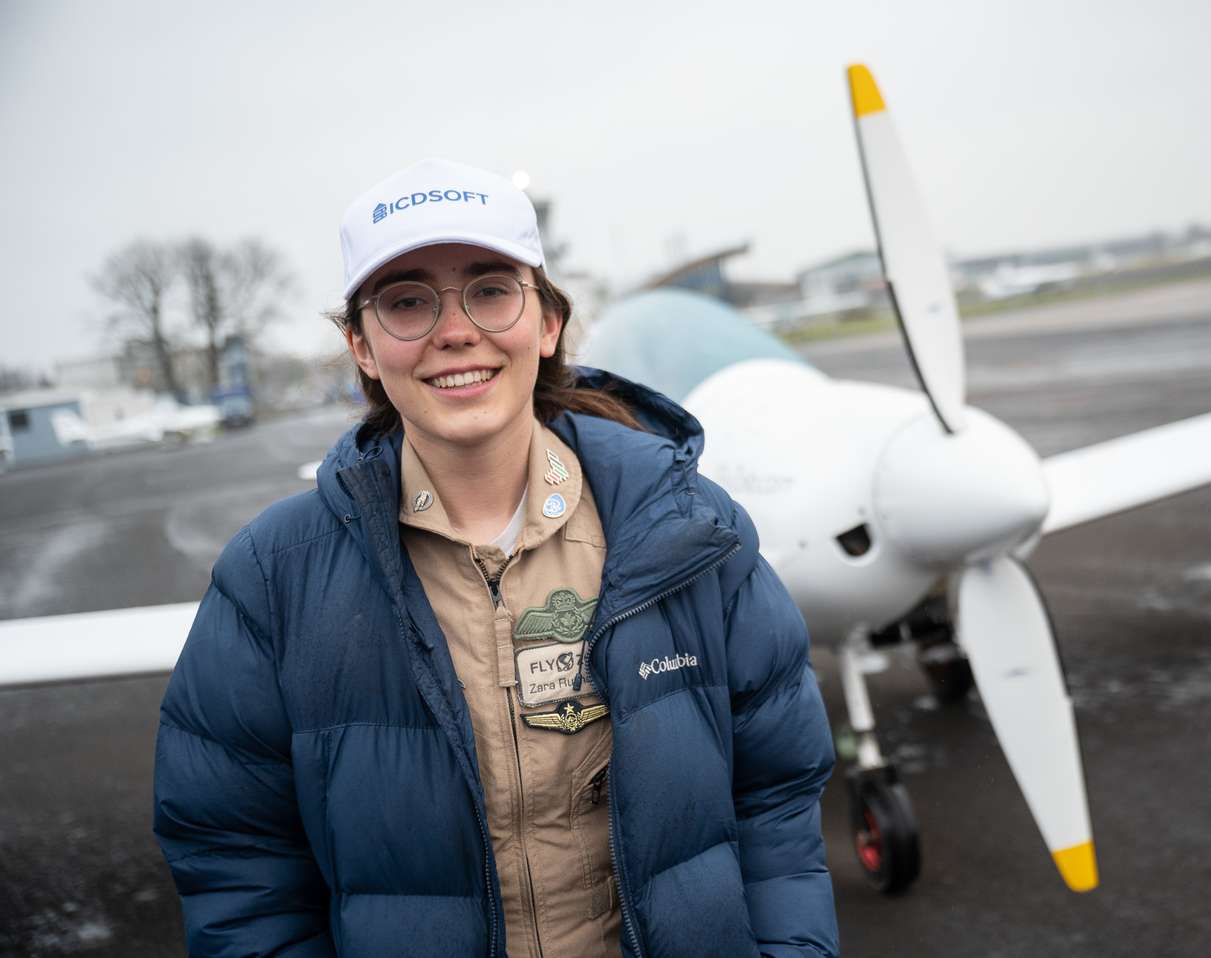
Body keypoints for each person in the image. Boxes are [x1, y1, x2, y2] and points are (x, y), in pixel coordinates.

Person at [152, 157, 840, 958]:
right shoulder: (272, 577)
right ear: (362, 347)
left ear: (547, 323)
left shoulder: (691, 533)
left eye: (490, 289)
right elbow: (236, 860)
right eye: (406, 301)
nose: (455, 331)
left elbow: (778, 797)